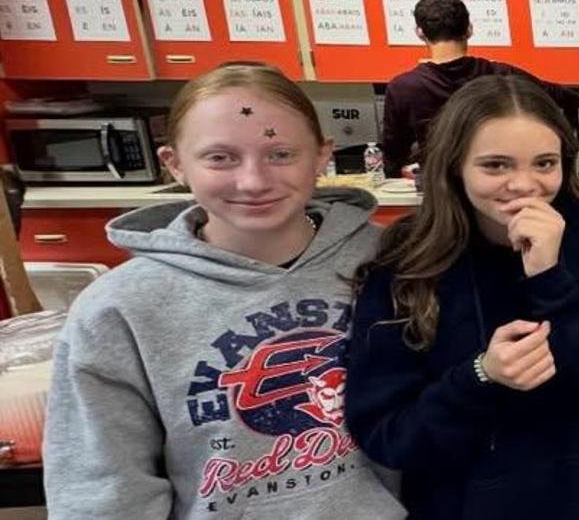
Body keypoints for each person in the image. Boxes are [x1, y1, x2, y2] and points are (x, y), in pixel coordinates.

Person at [43, 64, 404, 519]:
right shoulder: (119, 309)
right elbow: (101, 488)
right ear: (174, 164)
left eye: (280, 154)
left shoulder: (395, 262)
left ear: (321, 156)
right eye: (220, 157)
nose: (253, 181)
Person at [344, 75, 579, 519]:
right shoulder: (408, 259)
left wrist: (551, 279)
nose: (523, 185)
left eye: (544, 164)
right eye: (496, 165)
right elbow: (388, 434)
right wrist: (481, 375)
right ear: (455, 165)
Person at [381, 0, 579, 177]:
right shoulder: (502, 75)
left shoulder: (403, 87)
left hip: (440, 190)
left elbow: (393, 154)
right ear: (469, 29)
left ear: (419, 32)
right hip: (501, 182)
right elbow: (569, 99)